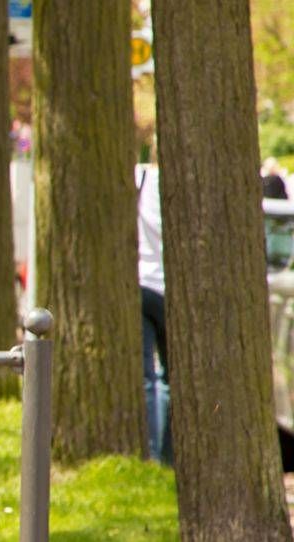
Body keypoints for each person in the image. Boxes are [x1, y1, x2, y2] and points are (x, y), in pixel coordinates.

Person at [135, 164, 171, 464]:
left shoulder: (140, 177)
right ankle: (171, 457)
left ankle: (152, 453)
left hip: (141, 282)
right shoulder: (181, 185)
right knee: (172, 379)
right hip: (169, 288)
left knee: (147, 379)